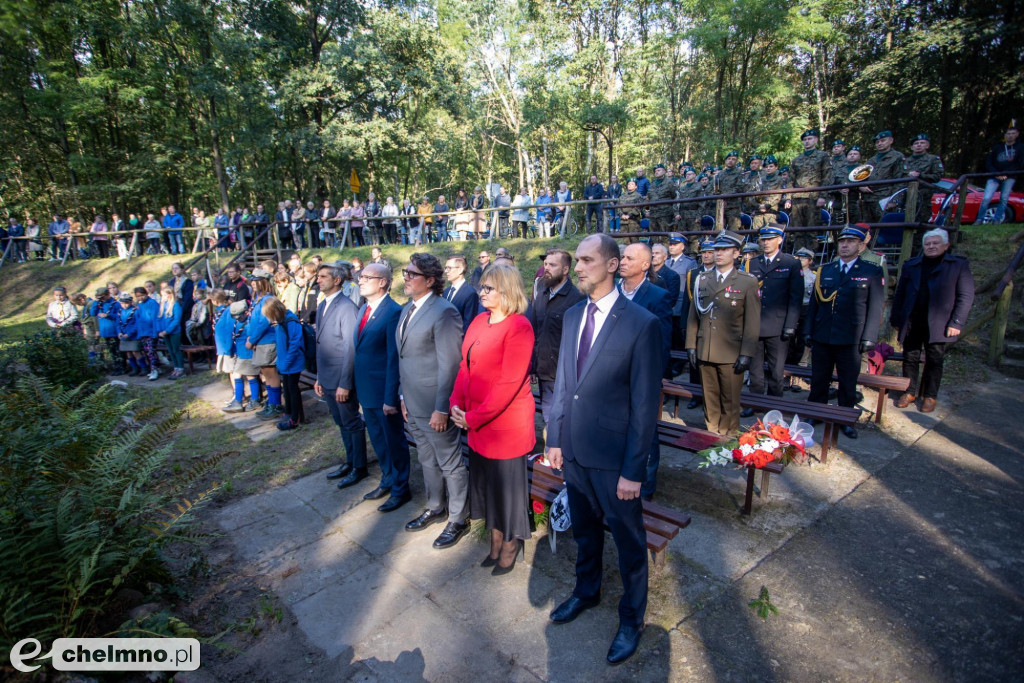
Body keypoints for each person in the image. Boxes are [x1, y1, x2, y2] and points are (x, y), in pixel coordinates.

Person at [545, 233, 662, 665]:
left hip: (615, 462)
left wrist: (634, 471)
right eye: (576, 260)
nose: (578, 267)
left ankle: (631, 618)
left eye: (587, 260)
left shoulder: (641, 324)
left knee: (629, 543)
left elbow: (645, 406)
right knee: (585, 531)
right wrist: (555, 437)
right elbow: (563, 385)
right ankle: (586, 591)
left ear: (612, 265)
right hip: (573, 451)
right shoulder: (574, 315)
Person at [449, 262, 535, 574]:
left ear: (507, 291)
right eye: (482, 287)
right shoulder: (478, 321)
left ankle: (511, 542)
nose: (482, 292)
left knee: (507, 492)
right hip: (475, 422)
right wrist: (456, 404)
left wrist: (474, 417)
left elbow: (508, 384)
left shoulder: (519, 327)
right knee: (487, 487)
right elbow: (464, 366)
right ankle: (495, 538)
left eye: (489, 288)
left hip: (505, 427)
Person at [397, 253, 468, 549]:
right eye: (406, 272)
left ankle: (458, 518)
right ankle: (436, 506)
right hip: (411, 402)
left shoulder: (444, 312)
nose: (406, 278)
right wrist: (402, 396)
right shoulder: (407, 309)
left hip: (434, 405)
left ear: (430, 281)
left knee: (450, 462)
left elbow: (450, 365)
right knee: (426, 458)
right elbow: (404, 357)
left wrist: (442, 408)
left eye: (412, 274)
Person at [803, 224, 884, 439]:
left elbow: (875, 307)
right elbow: (815, 305)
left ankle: (845, 417)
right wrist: (808, 330)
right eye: (842, 241)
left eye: (851, 241)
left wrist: (869, 337)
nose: (845, 245)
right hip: (823, 334)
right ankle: (815, 412)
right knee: (819, 377)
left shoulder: (871, 271)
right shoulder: (826, 270)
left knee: (848, 381)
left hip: (851, 337)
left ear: (860, 244)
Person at [685, 231, 761, 436]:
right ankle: (711, 431)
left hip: (731, 350)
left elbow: (752, 322)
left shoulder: (747, 281)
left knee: (730, 397)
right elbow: (694, 316)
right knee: (709, 395)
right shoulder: (702, 278)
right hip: (705, 347)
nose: (718, 253)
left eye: (725, 249)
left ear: (737, 253)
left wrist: (747, 353)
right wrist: (691, 345)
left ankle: (727, 435)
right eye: (716, 249)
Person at [891, 228, 974, 413]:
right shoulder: (912, 265)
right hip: (913, 319)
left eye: (935, 243)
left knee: (935, 359)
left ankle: (930, 395)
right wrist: (896, 318)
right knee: (910, 357)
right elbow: (900, 294)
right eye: (927, 244)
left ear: (946, 245)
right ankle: (909, 391)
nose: (931, 246)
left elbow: (965, 296)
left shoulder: (957, 265)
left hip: (939, 322)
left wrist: (957, 322)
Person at [352, 263, 411, 510]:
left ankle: (400, 488)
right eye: (360, 276)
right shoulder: (363, 309)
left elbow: (392, 359)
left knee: (392, 440)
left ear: (383, 282)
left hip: (383, 392)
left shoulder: (392, 312)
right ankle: (387, 480)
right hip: (366, 390)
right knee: (377, 438)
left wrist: (390, 397)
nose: (361, 281)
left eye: (367, 277)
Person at [314, 262, 369, 485]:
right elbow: (321, 344)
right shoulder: (322, 305)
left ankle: (359, 466)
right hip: (327, 377)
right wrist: (319, 376)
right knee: (341, 422)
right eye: (318, 276)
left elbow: (351, 347)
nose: (318, 280)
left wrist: (345, 383)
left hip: (341, 379)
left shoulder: (346, 307)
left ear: (337, 280)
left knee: (351, 422)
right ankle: (349, 461)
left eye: (323, 276)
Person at [742, 224, 803, 415]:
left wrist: (791, 325)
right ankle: (755, 402)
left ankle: (775, 405)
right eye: (763, 239)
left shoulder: (790, 263)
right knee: (755, 369)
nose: (766, 242)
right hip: (755, 325)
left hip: (778, 325)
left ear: (780, 240)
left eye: (770, 239)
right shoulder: (752, 263)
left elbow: (795, 298)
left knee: (777, 371)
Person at [528, 249, 585, 428]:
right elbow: (535, 332)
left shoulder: (577, 298)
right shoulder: (542, 292)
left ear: (566, 269)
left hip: (564, 374)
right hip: (543, 371)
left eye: (552, 265)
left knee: (562, 422)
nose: (546, 268)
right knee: (549, 420)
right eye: (545, 264)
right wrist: (532, 365)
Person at [258, 297, 305, 431]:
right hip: (285, 364)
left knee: (293, 389)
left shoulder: (290, 321)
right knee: (288, 389)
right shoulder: (281, 322)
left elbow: (295, 344)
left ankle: (294, 418)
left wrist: (287, 362)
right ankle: (288, 412)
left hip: (292, 363)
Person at [244, 270, 285, 419]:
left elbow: (263, 322)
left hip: (267, 342)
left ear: (264, 282)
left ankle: (276, 405)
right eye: (252, 281)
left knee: (271, 374)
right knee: (266, 374)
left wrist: (252, 340)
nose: (253, 284)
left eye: (257, 281)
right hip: (260, 341)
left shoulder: (267, 299)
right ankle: (271, 402)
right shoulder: (258, 299)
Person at [789, 129, 832, 253]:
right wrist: (788, 197)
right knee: (797, 231)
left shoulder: (822, 156)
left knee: (811, 230)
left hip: (813, 197)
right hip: (797, 197)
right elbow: (791, 179)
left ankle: (810, 258)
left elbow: (827, 176)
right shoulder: (797, 159)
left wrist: (823, 196)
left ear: (816, 140)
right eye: (805, 140)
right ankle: (798, 257)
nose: (807, 142)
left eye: (810, 139)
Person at [977, 124, 1022, 224]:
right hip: (994, 175)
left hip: (1010, 176)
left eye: (1012, 134)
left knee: (1004, 198)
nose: (1010, 136)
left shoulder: (1020, 147)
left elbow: (1020, 163)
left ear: (1017, 134)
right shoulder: (998, 147)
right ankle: (979, 219)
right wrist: (996, 173)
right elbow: (989, 162)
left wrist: (1008, 174)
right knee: (987, 197)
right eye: (1008, 133)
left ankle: (997, 219)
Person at [861, 130, 908, 223]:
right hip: (868, 200)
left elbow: (901, 180)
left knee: (884, 227)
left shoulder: (897, 157)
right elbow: (861, 176)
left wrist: (894, 200)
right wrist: (861, 186)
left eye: (883, 141)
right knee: (868, 229)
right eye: (877, 142)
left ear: (891, 140)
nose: (879, 143)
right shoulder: (871, 160)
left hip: (885, 199)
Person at [904, 134, 944, 223]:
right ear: (912, 147)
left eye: (922, 143)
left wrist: (921, 175)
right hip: (906, 196)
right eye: (916, 143)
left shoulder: (933, 159)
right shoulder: (905, 161)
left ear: (927, 145)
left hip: (924, 196)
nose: (918, 145)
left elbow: (938, 176)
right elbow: (899, 175)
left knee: (921, 222)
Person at [91, 287, 124, 374]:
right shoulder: (99, 304)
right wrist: (96, 301)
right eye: (99, 297)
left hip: (113, 331)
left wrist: (108, 315)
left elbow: (119, 316)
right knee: (111, 350)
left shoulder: (115, 303)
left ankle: (121, 367)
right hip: (104, 332)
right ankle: (115, 367)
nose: (101, 299)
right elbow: (92, 313)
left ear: (108, 294)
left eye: (102, 297)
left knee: (117, 350)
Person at [443, 255, 479, 330]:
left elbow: (468, 324)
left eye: (449, 268)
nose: (446, 271)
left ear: (460, 270)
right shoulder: (446, 292)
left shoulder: (470, 293)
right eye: (446, 268)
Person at [157, 284, 185, 380]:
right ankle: (175, 367)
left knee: (176, 350)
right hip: (165, 333)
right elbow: (160, 319)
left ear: (170, 295)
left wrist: (167, 331)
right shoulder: (163, 305)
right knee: (170, 351)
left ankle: (181, 368)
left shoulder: (176, 305)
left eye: (164, 295)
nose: (163, 297)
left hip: (174, 332)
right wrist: (160, 330)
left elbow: (176, 320)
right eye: (162, 295)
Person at [713, 151, 746, 229]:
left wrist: (725, 197)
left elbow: (739, 187)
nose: (730, 161)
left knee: (733, 230)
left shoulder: (739, 172)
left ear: (736, 161)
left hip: (733, 206)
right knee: (719, 230)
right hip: (721, 207)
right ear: (725, 160)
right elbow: (716, 189)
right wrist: (720, 198)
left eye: (733, 159)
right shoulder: (720, 174)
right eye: (729, 159)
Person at [648, 164, 679, 231]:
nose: (656, 172)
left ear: (664, 171)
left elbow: (674, 196)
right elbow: (649, 197)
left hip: (665, 213)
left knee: (665, 235)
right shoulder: (652, 184)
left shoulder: (669, 182)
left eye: (659, 170)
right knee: (654, 235)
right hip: (653, 213)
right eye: (655, 171)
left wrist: (675, 212)